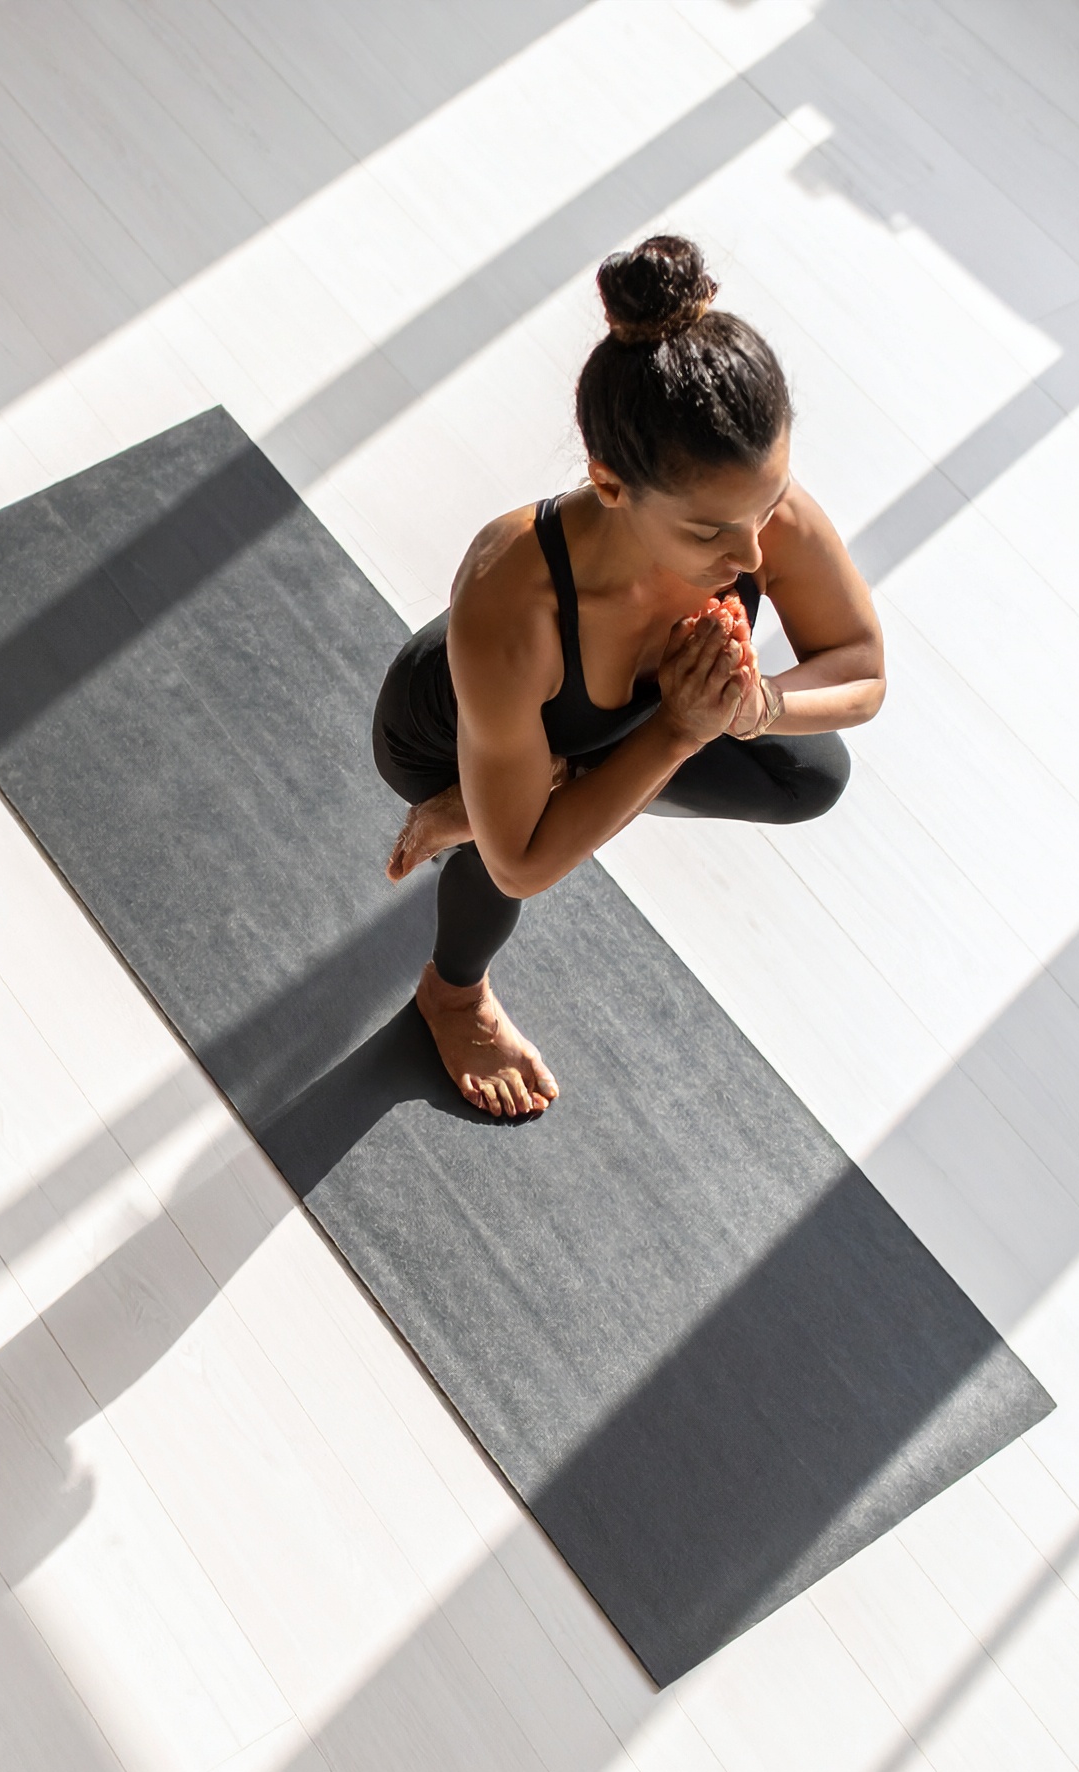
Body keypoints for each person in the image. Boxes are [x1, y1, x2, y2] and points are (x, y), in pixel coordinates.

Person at [371, 235, 885, 1117]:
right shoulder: (511, 597)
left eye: (769, 504)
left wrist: (752, 705)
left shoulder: (757, 513)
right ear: (609, 485)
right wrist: (682, 728)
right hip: (446, 733)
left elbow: (863, 671)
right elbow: (529, 867)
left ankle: (542, 790)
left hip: (599, 738)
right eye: (711, 532)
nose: (756, 551)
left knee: (809, 773)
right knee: (505, 857)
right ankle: (453, 994)